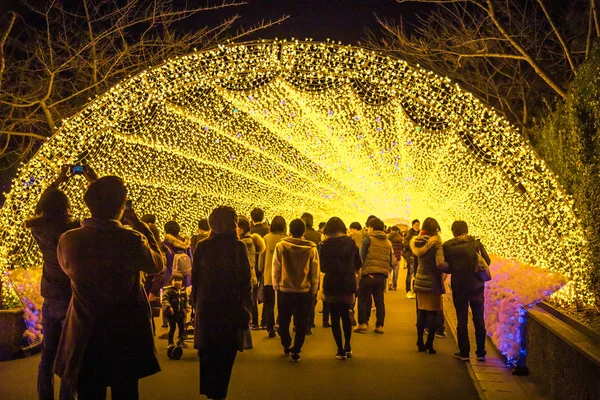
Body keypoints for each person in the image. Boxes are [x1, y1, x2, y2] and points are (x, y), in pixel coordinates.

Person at [55, 175, 164, 399]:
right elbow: (157, 265)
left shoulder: (68, 240)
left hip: (85, 331)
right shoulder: (131, 239)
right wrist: (140, 225)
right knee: (125, 391)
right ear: (121, 206)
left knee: (88, 390)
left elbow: (67, 270)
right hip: (125, 332)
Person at [26, 164, 96, 400]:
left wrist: (58, 180)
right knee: (70, 355)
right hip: (71, 297)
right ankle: (67, 396)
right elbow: (101, 209)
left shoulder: (39, 230)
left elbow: (40, 206)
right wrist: (92, 180)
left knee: (47, 354)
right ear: (66, 208)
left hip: (50, 297)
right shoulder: (72, 231)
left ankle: (44, 396)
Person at [192, 206, 252, 400]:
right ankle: (219, 395)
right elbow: (245, 281)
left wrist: (196, 305)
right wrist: (247, 308)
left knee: (208, 356)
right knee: (225, 358)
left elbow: (196, 280)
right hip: (230, 309)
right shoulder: (238, 247)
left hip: (207, 309)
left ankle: (212, 393)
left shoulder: (203, 246)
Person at [272, 219, 319, 362]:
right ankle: (297, 350)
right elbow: (315, 271)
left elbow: (276, 267)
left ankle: (286, 343)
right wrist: (314, 288)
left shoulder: (281, 246)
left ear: (290, 230)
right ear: (303, 231)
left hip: (285, 289)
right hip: (304, 290)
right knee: (301, 322)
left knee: (284, 319)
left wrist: (276, 285)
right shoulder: (312, 248)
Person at [443, 221, 491, 362]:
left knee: (462, 319)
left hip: (459, 287)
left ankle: (464, 353)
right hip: (476, 286)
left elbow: (448, 267)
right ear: (466, 230)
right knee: (478, 319)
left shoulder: (448, 246)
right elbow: (486, 261)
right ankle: (481, 352)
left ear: (453, 232)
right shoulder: (476, 243)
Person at [319, 217, 362, 360]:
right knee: (345, 314)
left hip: (331, 284)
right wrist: (350, 270)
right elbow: (358, 263)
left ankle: (339, 349)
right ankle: (348, 346)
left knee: (335, 318)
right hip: (347, 283)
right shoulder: (351, 243)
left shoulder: (324, 245)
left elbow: (323, 267)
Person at [410, 217, 448, 355]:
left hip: (420, 280)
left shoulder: (417, 242)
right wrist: (450, 268)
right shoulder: (436, 243)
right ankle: (429, 344)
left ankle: (419, 341)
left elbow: (415, 264)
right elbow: (440, 263)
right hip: (433, 281)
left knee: (421, 311)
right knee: (432, 312)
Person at [354, 217, 394, 334]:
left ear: (372, 227)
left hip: (368, 273)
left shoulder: (368, 239)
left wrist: (359, 271)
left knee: (363, 298)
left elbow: (361, 256)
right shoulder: (387, 242)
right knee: (379, 300)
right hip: (381, 275)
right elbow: (391, 260)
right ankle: (379, 325)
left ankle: (362, 324)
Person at [258, 216, 287, 338]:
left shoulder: (266, 238)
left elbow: (261, 259)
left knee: (269, 303)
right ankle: (280, 323)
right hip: (284, 276)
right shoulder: (287, 239)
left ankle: (270, 327)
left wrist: (261, 269)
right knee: (283, 302)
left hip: (269, 275)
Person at [237, 216, 266, 332]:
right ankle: (254, 322)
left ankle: (253, 322)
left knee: (250, 301)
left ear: (243, 228)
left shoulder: (246, 242)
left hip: (248, 277)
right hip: (250, 277)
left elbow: (251, 262)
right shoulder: (245, 241)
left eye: (237, 227)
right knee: (251, 300)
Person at [300, 212, 321, 334]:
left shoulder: (299, 235)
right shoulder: (317, 235)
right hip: (314, 267)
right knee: (312, 297)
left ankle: (301, 324)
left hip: (301, 268)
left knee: (300, 298)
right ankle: (310, 322)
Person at [162, 272, 189, 348]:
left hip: (180, 313)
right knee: (172, 328)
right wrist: (168, 307)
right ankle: (170, 342)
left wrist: (187, 307)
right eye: (175, 280)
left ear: (182, 281)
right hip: (171, 314)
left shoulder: (183, 291)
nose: (177, 282)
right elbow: (164, 299)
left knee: (182, 327)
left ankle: (180, 341)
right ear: (171, 281)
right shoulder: (168, 291)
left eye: (179, 280)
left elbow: (186, 300)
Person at [403, 219, 420, 299]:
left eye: (418, 225)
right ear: (413, 225)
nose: (417, 226)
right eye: (416, 225)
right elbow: (405, 244)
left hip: (417, 256)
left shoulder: (420, 233)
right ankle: (408, 290)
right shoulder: (409, 234)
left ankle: (415, 291)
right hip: (410, 255)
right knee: (410, 273)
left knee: (416, 274)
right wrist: (412, 243)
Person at [387, 226, 404, 291]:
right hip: (397, 256)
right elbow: (402, 248)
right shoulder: (400, 238)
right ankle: (394, 285)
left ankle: (389, 282)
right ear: (397, 231)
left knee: (389, 271)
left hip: (390, 256)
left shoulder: (388, 238)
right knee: (396, 271)